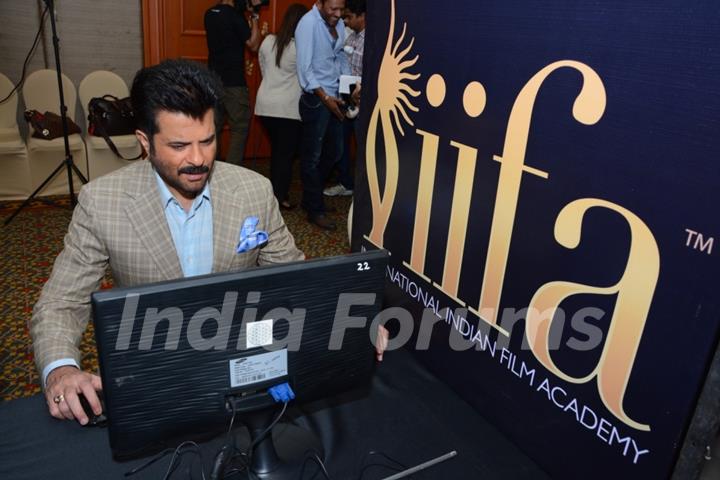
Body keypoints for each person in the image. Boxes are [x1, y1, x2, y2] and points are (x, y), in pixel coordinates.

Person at [30, 59, 304, 424]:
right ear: (145, 142)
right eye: (178, 145)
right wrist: (61, 371)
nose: (197, 159)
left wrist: (357, 318)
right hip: (154, 370)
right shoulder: (102, 202)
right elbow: (61, 302)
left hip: (242, 364)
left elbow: (297, 277)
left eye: (207, 141)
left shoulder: (253, 189)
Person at [295, 0, 351, 231]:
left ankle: (311, 198)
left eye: (341, 9)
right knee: (312, 157)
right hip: (316, 100)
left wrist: (347, 88)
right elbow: (304, 68)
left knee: (335, 151)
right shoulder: (307, 25)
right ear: (320, 3)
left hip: (335, 98)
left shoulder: (336, 24)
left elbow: (341, 58)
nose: (338, 15)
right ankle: (314, 209)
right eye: (333, 9)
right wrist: (325, 98)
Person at [255, 3, 309, 210]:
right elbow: (306, 79)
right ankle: (279, 198)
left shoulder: (268, 41)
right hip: (287, 108)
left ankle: (274, 194)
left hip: (265, 104)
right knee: (284, 156)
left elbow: (263, 67)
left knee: (278, 153)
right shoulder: (300, 47)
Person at [204, 0, 262, 165]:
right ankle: (231, 172)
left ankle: (210, 170)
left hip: (212, 82)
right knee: (239, 129)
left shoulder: (209, 14)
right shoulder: (235, 16)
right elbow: (254, 44)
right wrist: (255, 15)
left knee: (213, 128)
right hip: (234, 83)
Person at [323, 0, 365, 198]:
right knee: (341, 144)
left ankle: (364, 190)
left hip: (363, 104)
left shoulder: (373, 39)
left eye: (349, 17)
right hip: (347, 100)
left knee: (363, 147)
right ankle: (346, 183)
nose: (345, 21)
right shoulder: (352, 38)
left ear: (362, 15)